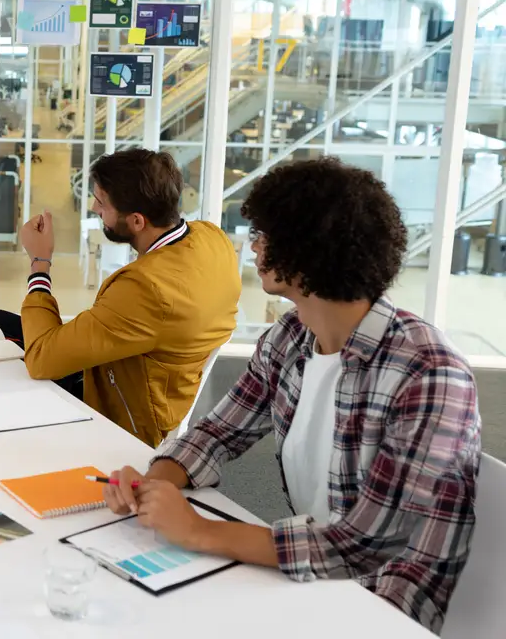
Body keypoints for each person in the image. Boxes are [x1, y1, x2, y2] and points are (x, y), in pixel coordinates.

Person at [102, 158, 480, 634]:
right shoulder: (291, 337)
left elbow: (360, 547)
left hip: (377, 612)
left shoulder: (429, 375)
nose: (253, 246)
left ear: (306, 251)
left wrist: (200, 531)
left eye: (262, 234)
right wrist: (154, 485)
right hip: (307, 580)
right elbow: (217, 434)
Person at [0, 148, 240, 447]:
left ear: (137, 221)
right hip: (144, 372)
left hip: (122, 409)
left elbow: (41, 360)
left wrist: (40, 262)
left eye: (102, 203)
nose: (93, 207)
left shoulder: (147, 287)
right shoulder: (211, 237)